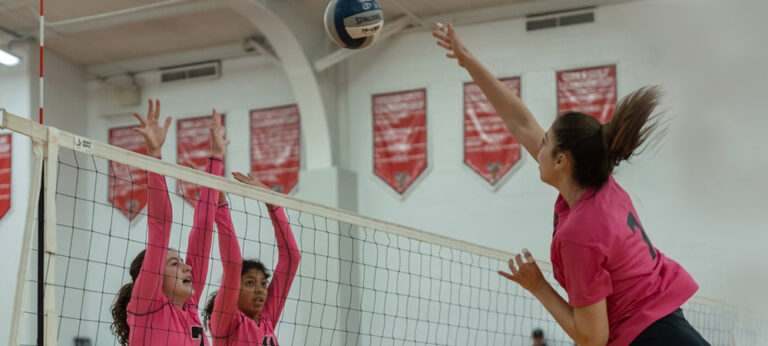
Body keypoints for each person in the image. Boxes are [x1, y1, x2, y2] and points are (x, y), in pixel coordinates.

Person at [432, 23, 709, 346]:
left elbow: (593, 338)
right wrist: (466, 59)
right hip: (665, 327)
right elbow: (521, 122)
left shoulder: (580, 232)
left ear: (562, 161)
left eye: (545, 143)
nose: (538, 148)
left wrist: (538, 287)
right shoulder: (600, 186)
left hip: (651, 337)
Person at [110, 101, 227, 345]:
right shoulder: (146, 305)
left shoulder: (190, 307)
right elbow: (160, 225)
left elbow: (203, 229)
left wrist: (216, 157)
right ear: (153, 277)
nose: (188, 268)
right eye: (175, 263)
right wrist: (154, 155)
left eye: (181, 262)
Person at [201, 126, 301, 346]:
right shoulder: (225, 323)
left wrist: (272, 203)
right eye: (249, 283)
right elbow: (232, 264)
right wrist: (220, 204)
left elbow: (292, 258)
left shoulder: (266, 320)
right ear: (233, 290)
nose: (259, 290)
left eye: (263, 284)